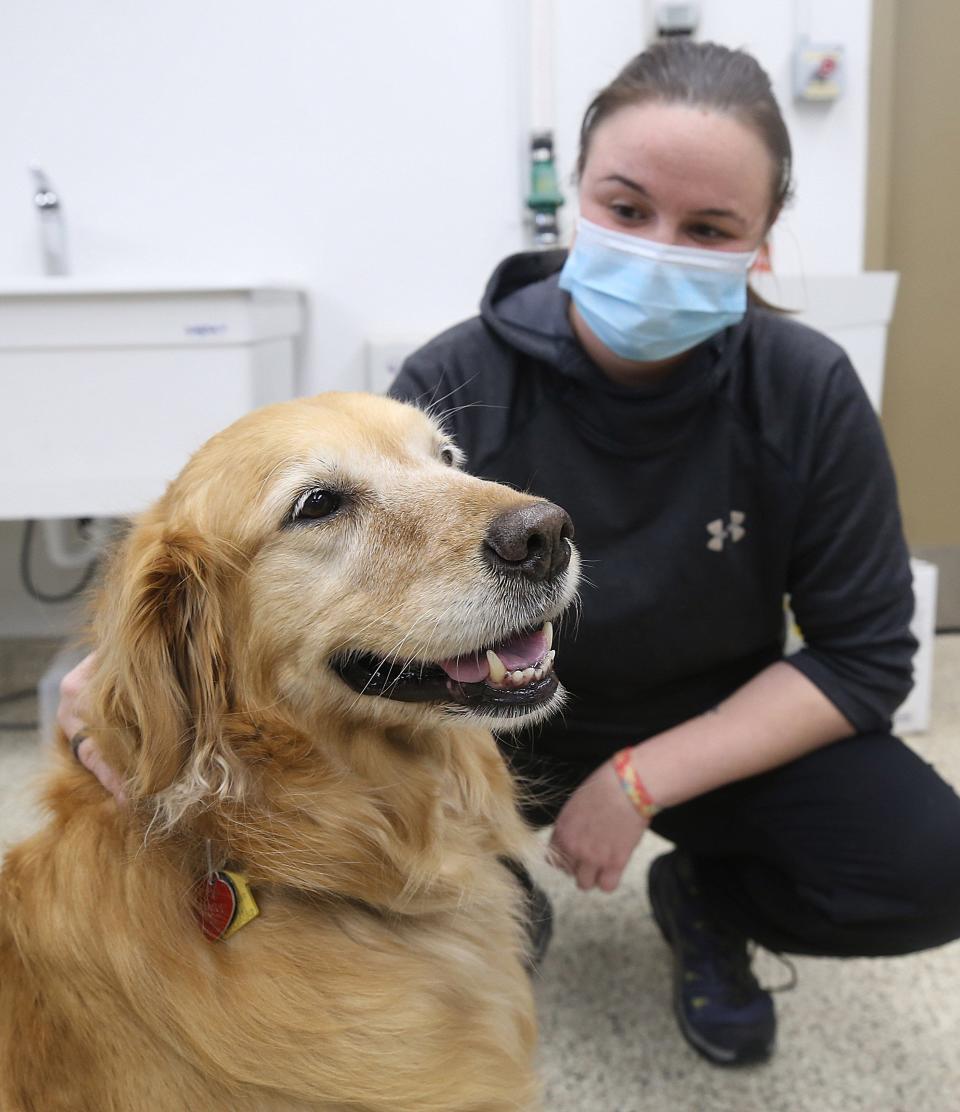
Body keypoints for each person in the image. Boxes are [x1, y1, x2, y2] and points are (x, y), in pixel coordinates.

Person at [61, 40, 960, 1070]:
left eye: (709, 227)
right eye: (626, 209)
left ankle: (707, 898)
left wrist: (634, 781)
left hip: (718, 723)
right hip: (479, 715)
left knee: (928, 863)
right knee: (481, 935)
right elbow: (274, 564)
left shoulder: (803, 386)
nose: (660, 245)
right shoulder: (458, 369)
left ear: (759, 245)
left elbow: (865, 657)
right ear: (578, 199)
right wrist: (134, 667)